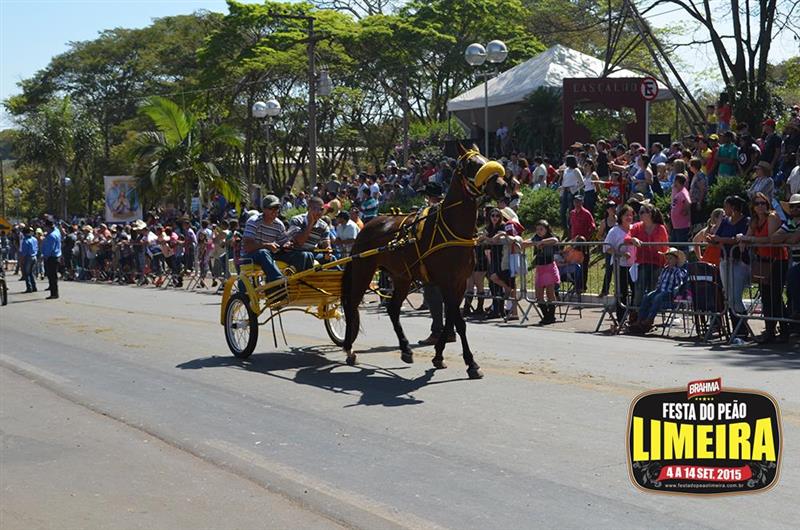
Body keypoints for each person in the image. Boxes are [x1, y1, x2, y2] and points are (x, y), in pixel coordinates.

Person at [738, 192, 789, 342]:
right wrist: (743, 240)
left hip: (778, 260)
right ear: (753, 206)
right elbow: (747, 236)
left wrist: (749, 239)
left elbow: (770, 238)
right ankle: (769, 330)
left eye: (763, 203)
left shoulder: (772, 217)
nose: (760, 206)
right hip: (763, 261)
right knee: (766, 296)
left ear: (767, 204)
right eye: (757, 203)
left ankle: (785, 330)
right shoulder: (754, 220)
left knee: (775, 296)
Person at [708, 196, 751, 338]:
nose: (724, 209)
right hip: (725, 260)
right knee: (729, 297)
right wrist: (713, 240)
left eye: (726, 206)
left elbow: (738, 239)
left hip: (739, 262)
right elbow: (717, 236)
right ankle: (737, 330)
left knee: (736, 297)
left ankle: (743, 329)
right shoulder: (725, 221)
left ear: (733, 207)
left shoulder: (745, 221)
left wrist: (720, 240)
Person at [240, 195, 291, 301]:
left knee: (299, 254)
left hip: (268, 256)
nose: (275, 211)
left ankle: (296, 284)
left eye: (277, 208)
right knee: (263, 252)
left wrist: (287, 245)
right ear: (264, 209)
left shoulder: (279, 225)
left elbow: (283, 242)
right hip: (250, 256)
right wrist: (266, 245)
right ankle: (278, 284)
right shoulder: (254, 221)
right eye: (271, 208)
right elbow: (247, 246)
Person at [627, 248, 688, 334]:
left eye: (670, 259)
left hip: (670, 293)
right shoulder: (664, 270)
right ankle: (640, 320)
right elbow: (660, 283)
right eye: (667, 258)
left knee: (658, 297)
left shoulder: (678, 271)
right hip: (660, 291)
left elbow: (680, 285)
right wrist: (656, 290)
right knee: (647, 296)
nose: (668, 260)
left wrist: (676, 292)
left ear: (676, 260)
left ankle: (649, 320)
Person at [627, 203, 669, 311]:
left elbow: (665, 247)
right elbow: (627, 237)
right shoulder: (637, 227)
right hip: (643, 263)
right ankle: (636, 314)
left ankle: (648, 317)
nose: (639, 214)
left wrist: (666, 262)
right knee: (639, 291)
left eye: (642, 212)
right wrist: (632, 239)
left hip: (657, 264)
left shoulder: (660, 228)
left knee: (652, 291)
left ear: (649, 214)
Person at [603, 205, 636, 330]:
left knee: (636, 291)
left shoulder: (635, 228)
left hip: (634, 265)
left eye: (631, 215)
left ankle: (633, 316)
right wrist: (620, 253)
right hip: (620, 265)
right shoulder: (614, 231)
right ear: (621, 216)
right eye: (626, 215)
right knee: (621, 292)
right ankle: (621, 318)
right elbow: (606, 247)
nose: (629, 217)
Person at [522, 220, 559, 325]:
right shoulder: (536, 238)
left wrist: (542, 242)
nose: (539, 231)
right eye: (537, 229)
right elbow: (524, 243)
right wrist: (532, 243)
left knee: (550, 293)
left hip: (549, 267)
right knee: (539, 295)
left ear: (546, 229)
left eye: (541, 229)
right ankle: (545, 316)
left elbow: (555, 240)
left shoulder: (550, 237)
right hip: (540, 268)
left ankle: (551, 316)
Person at [772, 194, 800, 323]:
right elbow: (774, 238)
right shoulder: (790, 223)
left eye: (798, 206)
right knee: (791, 289)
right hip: (795, 262)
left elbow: (793, 239)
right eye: (792, 206)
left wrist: (787, 238)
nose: (795, 209)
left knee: (792, 278)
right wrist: (791, 238)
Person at [670, 173, 692, 243]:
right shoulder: (679, 191)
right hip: (676, 225)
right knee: (673, 244)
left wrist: (685, 210)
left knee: (682, 246)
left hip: (682, 225)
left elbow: (688, 202)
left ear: (677, 181)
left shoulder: (683, 192)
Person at [20, 226, 38, 293]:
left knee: (26, 273)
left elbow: (24, 252)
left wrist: (22, 260)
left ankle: (29, 288)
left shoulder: (25, 241)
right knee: (31, 273)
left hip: (28, 257)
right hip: (34, 256)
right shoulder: (34, 239)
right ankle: (34, 287)